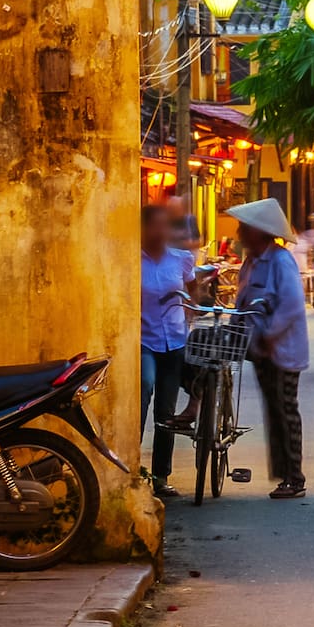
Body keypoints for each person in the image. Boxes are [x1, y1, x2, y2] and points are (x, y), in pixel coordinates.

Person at [228, 197, 309, 499]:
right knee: (273, 411)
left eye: (244, 228)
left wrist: (271, 336)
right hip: (260, 347)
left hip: (283, 350)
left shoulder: (280, 260)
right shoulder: (251, 262)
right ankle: (284, 475)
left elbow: (290, 306)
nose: (239, 234)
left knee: (285, 410)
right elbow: (243, 301)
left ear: (258, 232)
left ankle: (294, 477)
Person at [139, 203, 196, 495]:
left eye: (166, 226)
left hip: (175, 340)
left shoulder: (181, 259)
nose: (162, 232)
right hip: (145, 339)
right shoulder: (133, 261)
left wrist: (191, 312)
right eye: (156, 226)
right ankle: (132, 468)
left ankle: (161, 476)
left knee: (166, 410)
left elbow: (193, 288)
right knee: (144, 387)